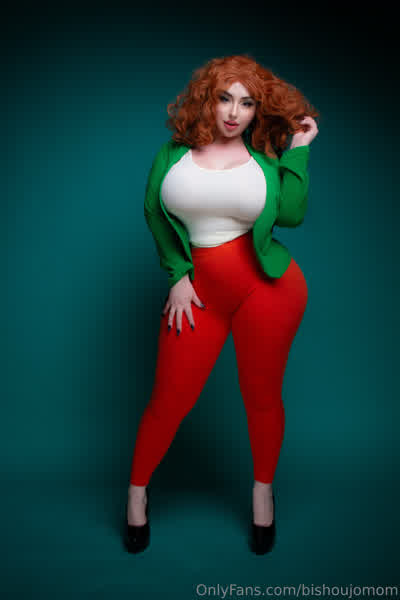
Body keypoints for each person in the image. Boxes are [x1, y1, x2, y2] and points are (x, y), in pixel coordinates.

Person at [124, 54, 319, 554]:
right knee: (169, 400)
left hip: (269, 288)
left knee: (261, 396)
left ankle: (262, 494)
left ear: (258, 110)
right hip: (198, 293)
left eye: (247, 103)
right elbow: (153, 212)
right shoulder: (174, 152)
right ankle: (137, 494)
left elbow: (291, 215)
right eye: (224, 98)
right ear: (206, 100)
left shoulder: (266, 156)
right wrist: (178, 275)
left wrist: (298, 150)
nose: (234, 112)